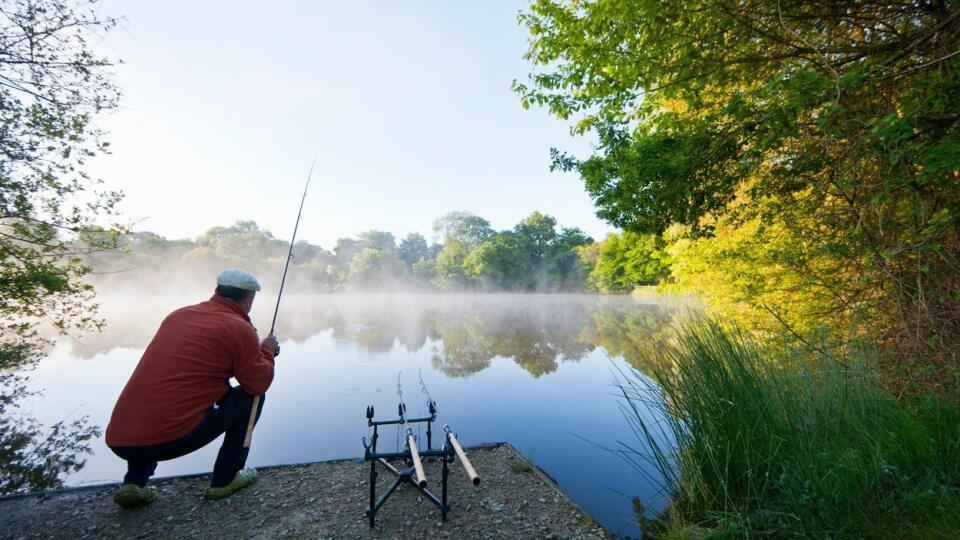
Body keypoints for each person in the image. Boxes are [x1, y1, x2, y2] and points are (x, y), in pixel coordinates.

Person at [105, 269, 279, 508]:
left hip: (119, 439)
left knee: (159, 397)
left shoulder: (178, 316)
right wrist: (267, 350)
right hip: (169, 439)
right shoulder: (239, 327)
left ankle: (134, 483)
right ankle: (225, 480)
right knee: (252, 397)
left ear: (217, 290)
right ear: (248, 299)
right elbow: (258, 381)